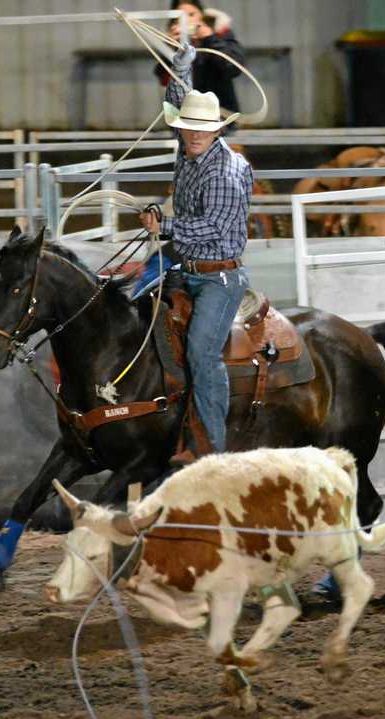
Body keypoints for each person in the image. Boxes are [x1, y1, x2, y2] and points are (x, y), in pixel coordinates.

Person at [139, 40, 252, 465]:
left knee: (204, 355)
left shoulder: (225, 170)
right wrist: (181, 65)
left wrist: (164, 225)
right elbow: (175, 100)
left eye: (202, 128)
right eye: (188, 126)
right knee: (127, 301)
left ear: (216, 131)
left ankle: (212, 449)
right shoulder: (189, 148)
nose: (194, 133)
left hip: (217, 277)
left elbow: (216, 227)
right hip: (183, 263)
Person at [153, 1, 245, 129]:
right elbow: (163, 78)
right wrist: (171, 47)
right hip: (184, 119)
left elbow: (233, 67)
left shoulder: (220, 34)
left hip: (219, 115)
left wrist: (210, 39)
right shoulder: (173, 42)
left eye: (191, 14)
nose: (187, 20)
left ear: (202, 16)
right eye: (181, 17)